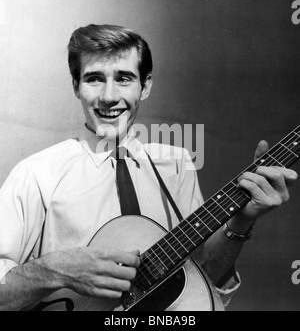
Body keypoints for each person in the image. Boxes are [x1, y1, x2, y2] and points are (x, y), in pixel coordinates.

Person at [0, 24, 297, 311]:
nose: (109, 96)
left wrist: (242, 220)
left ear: (145, 86)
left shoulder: (176, 165)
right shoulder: (36, 174)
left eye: (124, 78)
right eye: (94, 79)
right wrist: (56, 271)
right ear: (76, 86)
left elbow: (204, 277)